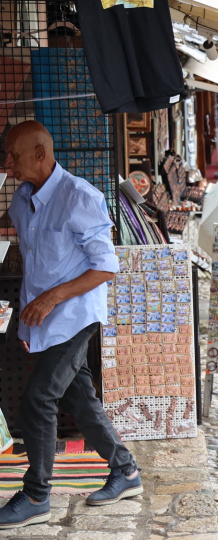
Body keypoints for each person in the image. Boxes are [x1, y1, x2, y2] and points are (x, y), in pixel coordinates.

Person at [0, 121, 142, 529]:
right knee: (79, 399)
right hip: (42, 318)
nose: (8, 164)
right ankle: (126, 471)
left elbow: (106, 267)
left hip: (75, 316)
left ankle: (36, 496)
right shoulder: (22, 199)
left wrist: (51, 298)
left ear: (40, 153)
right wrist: (32, 317)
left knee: (39, 398)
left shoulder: (80, 196)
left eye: (14, 155)